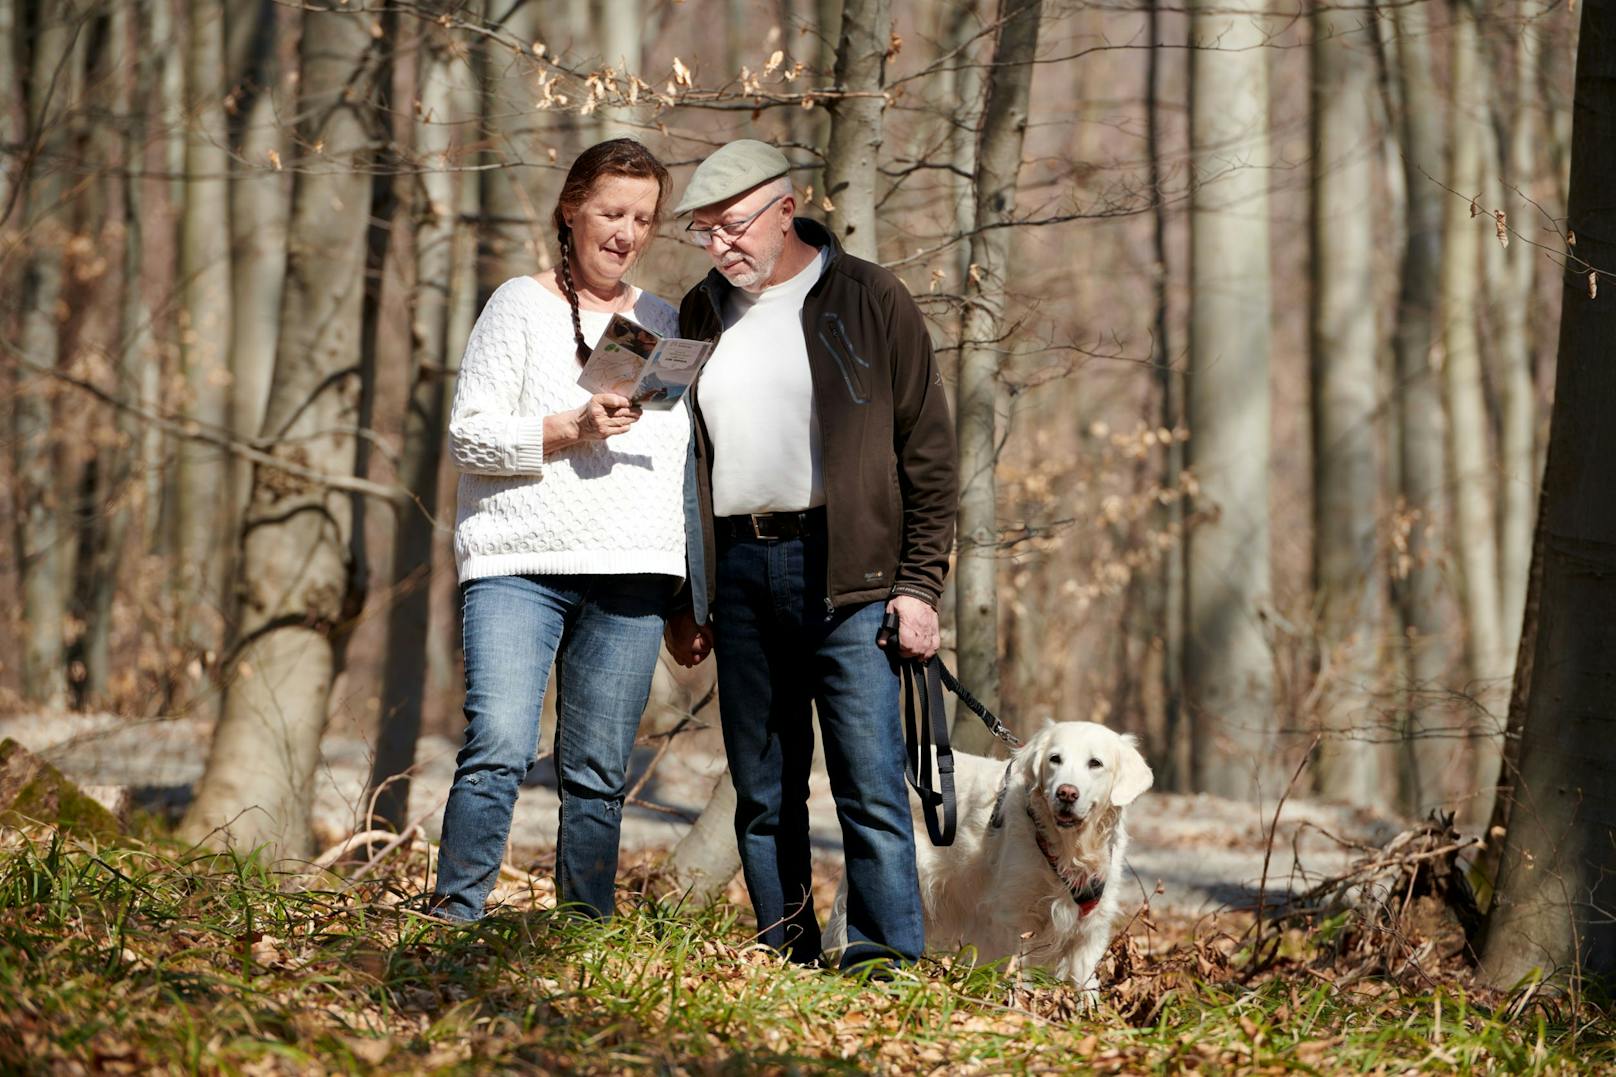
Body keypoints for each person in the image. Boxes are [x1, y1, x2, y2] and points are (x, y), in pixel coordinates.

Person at [663, 139, 958, 968]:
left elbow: (927, 453)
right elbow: (668, 460)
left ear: (784, 210)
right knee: (763, 792)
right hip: (741, 572)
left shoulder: (871, 299)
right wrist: (685, 594)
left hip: (852, 576)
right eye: (704, 233)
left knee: (869, 787)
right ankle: (786, 956)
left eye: (731, 227)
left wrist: (920, 586)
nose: (721, 247)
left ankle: (884, 961)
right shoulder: (696, 313)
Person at [431, 138, 701, 921]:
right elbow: (467, 436)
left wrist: (686, 596)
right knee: (499, 748)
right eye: (611, 211)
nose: (625, 231)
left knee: (597, 771)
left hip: (633, 575)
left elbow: (684, 467)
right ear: (571, 209)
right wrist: (571, 426)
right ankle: (455, 920)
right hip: (519, 564)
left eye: (643, 218)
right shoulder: (518, 303)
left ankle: (583, 935)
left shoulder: (666, 322)